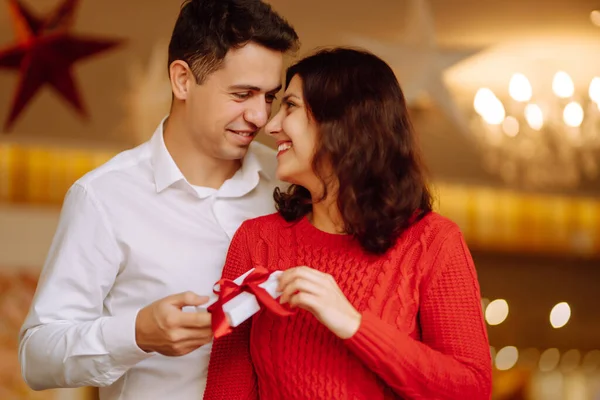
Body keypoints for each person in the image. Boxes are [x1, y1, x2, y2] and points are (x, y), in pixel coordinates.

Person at [18, 0, 298, 399]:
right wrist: (136, 334)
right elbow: (36, 356)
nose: (261, 117)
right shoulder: (103, 196)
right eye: (242, 94)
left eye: (269, 97)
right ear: (182, 80)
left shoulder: (291, 184)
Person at [202, 47, 493, 399]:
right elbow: (225, 392)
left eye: (290, 106)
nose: (271, 124)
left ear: (342, 121)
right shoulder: (257, 241)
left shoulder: (433, 242)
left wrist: (352, 323)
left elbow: (471, 389)